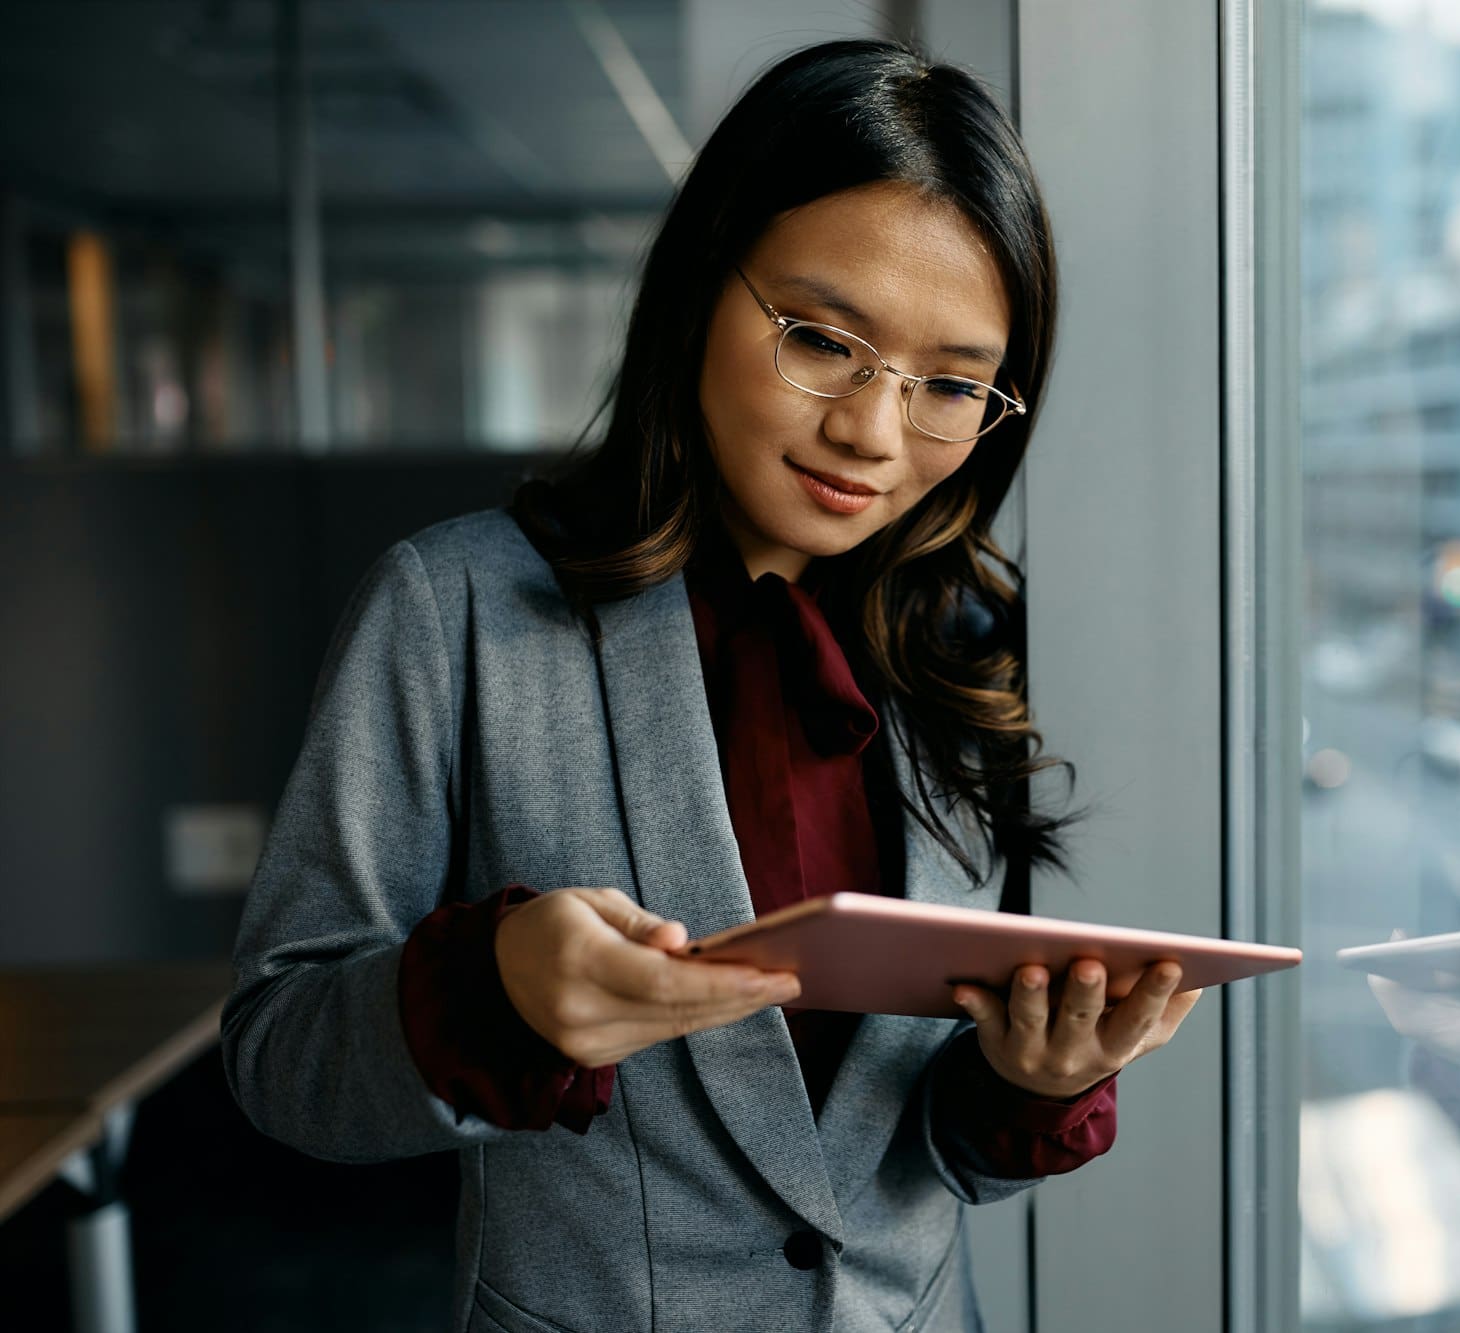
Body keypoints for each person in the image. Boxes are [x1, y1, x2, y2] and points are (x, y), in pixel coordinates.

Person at [221, 37, 1201, 1333]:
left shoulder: (961, 639)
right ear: (699, 291)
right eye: (819, 338)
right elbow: (282, 1055)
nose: (873, 429)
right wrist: (494, 992)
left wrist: (1030, 1078)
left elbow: (908, 1153)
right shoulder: (453, 607)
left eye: (951, 386)